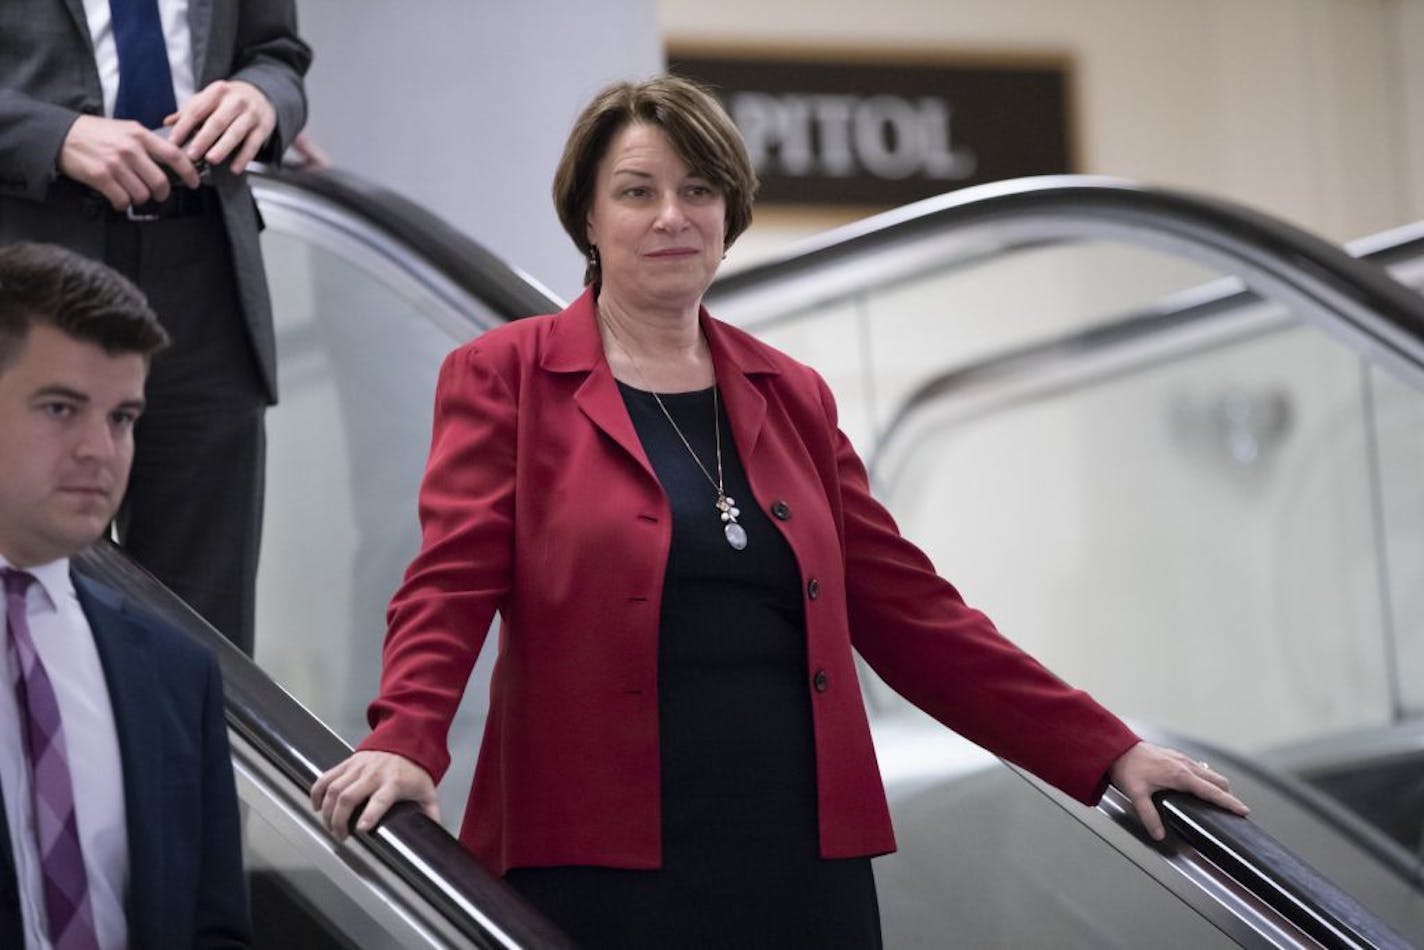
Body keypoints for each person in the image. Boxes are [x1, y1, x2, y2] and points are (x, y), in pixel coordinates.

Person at [312, 75, 1248, 947]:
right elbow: (449, 581)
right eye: (637, 192)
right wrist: (406, 740)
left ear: (730, 214)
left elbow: (915, 615)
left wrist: (1105, 749)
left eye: (699, 190)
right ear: (588, 218)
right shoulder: (507, 375)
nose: (672, 216)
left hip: (799, 861)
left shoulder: (789, 392)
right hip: (590, 861)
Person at [0, 0, 312, 656]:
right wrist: (52, 134)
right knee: (27, 599)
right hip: (32, 272)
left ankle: (186, 764)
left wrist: (262, 97)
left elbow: (278, 55)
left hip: (207, 275)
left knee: (206, 638)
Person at [0, 243, 249, 948]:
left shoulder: (175, 672)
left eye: (123, 419)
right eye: (60, 408)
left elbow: (213, 930)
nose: (101, 451)